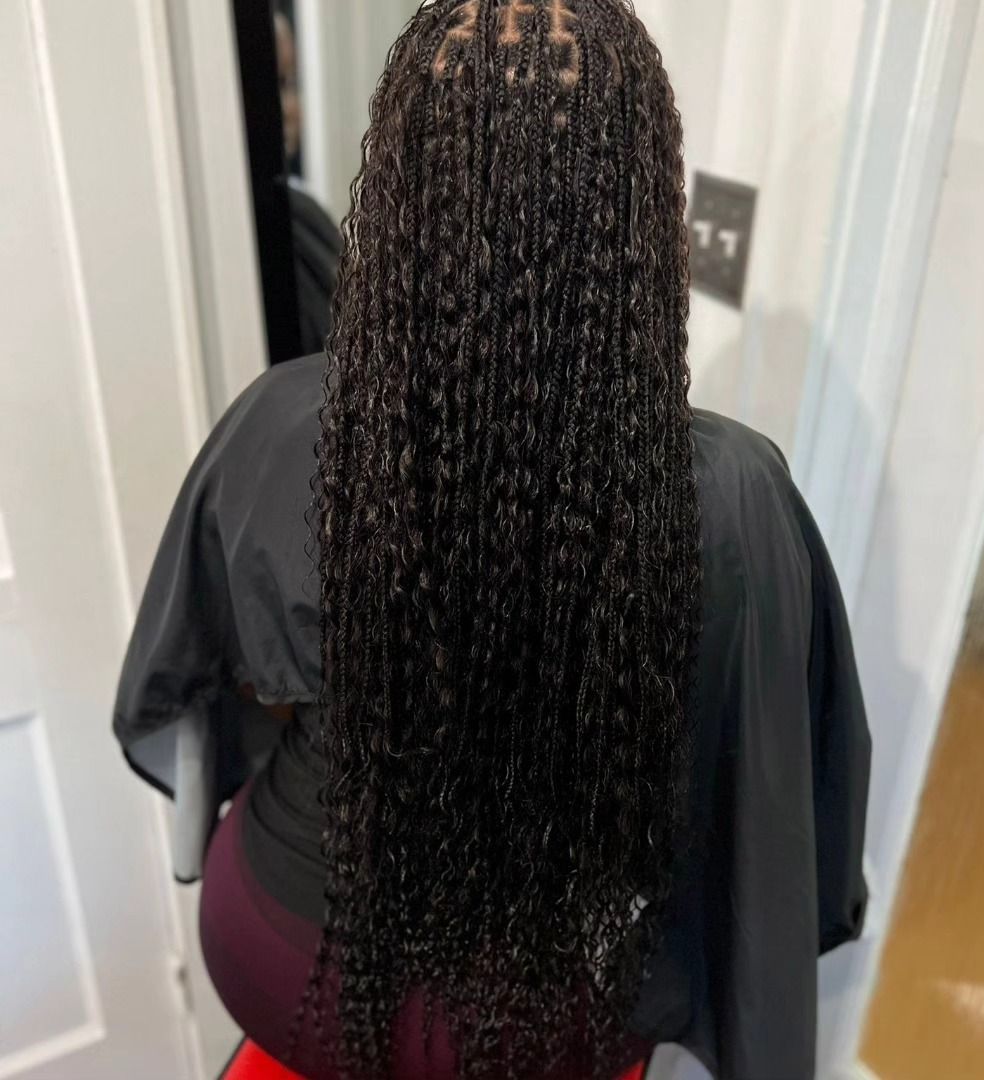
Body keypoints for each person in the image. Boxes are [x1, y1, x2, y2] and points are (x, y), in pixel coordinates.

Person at [114, 2, 871, 1077]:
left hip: (281, 943)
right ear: (636, 199)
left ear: (408, 186)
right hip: (542, 1019)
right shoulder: (730, 498)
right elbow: (775, 804)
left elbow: (191, 694)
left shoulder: (281, 424)